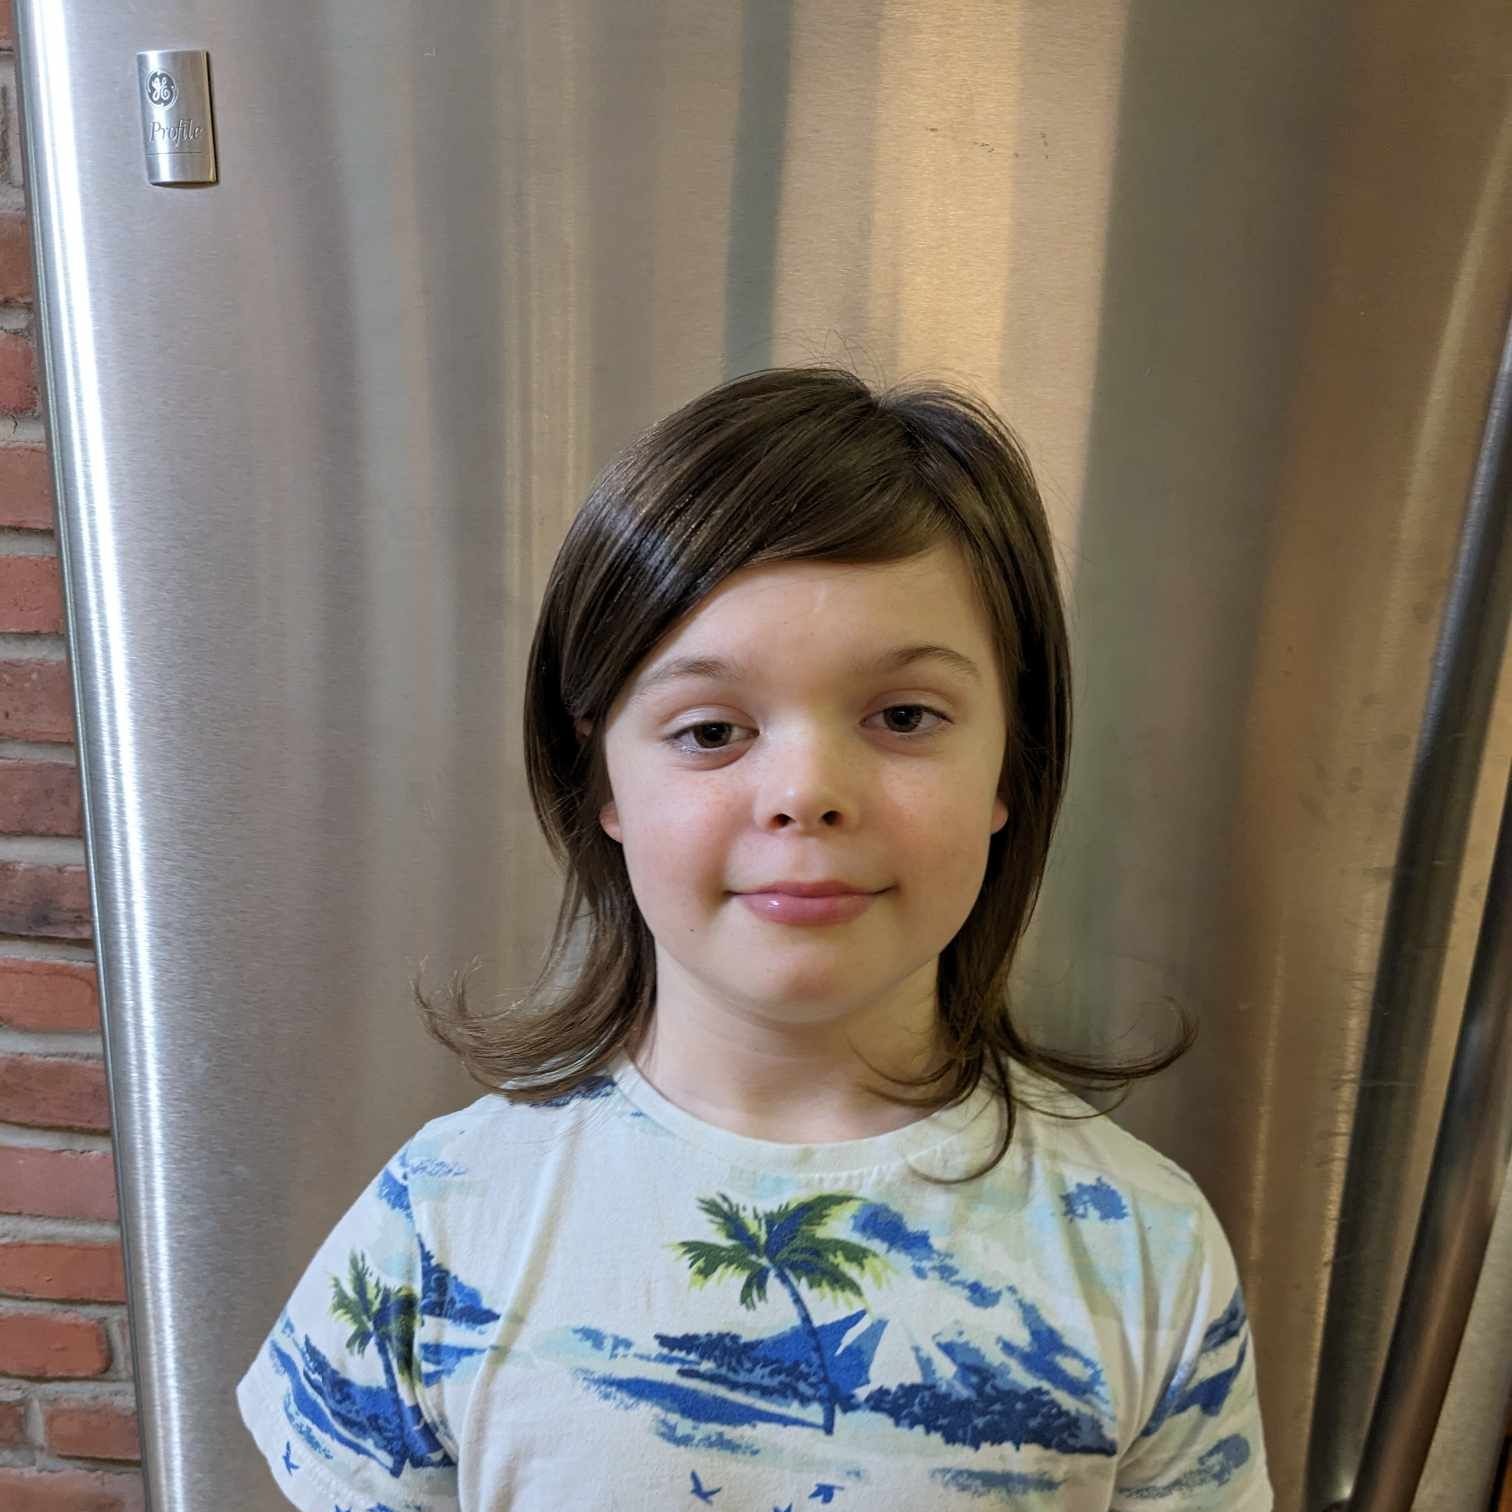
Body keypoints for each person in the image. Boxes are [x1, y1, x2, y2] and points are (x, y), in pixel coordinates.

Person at [235, 365, 1273, 1510]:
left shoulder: (1148, 1248)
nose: (807, 792)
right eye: (711, 730)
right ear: (603, 780)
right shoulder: (438, 1219)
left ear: (1008, 769)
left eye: (904, 716)